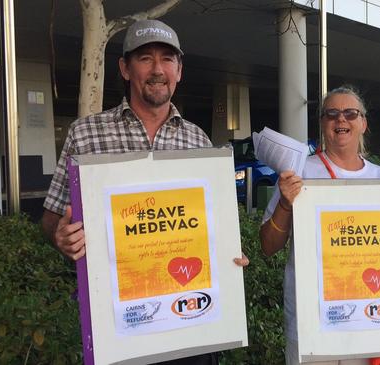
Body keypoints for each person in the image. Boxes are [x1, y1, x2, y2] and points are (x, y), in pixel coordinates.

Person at [41, 19, 247, 365]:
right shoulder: (86, 134)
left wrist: (229, 255)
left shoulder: (199, 141)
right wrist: (60, 235)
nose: (157, 70)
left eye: (167, 59)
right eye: (145, 58)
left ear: (179, 71)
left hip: (192, 325)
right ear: (124, 68)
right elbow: (50, 217)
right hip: (120, 326)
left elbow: (213, 226)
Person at [259, 86, 380, 365]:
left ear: (363, 123)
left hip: (367, 322)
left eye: (350, 113)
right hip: (312, 324)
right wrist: (286, 204)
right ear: (322, 124)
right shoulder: (299, 174)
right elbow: (267, 246)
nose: (341, 120)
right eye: (331, 114)